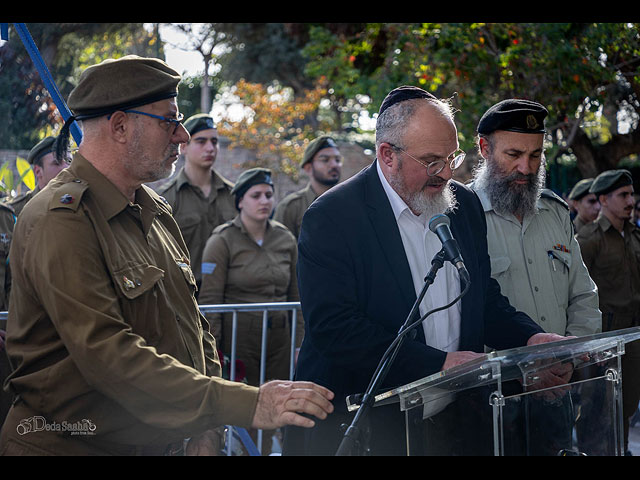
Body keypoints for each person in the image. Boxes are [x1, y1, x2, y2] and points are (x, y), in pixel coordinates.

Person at [0, 55, 334, 456]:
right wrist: (247, 403)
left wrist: (207, 428)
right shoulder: (62, 218)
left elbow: (194, 327)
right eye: (168, 120)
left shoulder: (153, 210)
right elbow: (108, 354)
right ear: (120, 126)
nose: (181, 136)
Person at [282, 85, 568, 456]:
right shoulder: (332, 217)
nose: (447, 173)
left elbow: (481, 298)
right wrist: (440, 364)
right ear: (387, 156)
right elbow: (335, 329)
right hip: (366, 427)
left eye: (452, 157)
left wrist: (530, 340)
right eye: (432, 161)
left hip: (456, 424)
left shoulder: (462, 205)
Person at [470, 99, 600, 338]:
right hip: (500, 373)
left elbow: (583, 295)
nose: (526, 168)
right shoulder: (465, 216)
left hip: (565, 367)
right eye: (514, 154)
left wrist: (570, 353)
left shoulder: (556, 213)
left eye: (535, 155)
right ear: (485, 148)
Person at [199, 167, 304, 454]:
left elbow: (296, 295)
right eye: (256, 195)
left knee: (279, 401)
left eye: (269, 195)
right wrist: (217, 351)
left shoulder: (285, 239)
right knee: (245, 406)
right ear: (240, 201)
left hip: (279, 340)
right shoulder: (222, 241)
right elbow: (210, 302)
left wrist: (298, 343)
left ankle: (267, 450)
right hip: (240, 340)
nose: (264, 201)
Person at [576, 169, 640, 456]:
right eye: (623, 195)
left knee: (627, 403)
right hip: (602, 336)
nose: (631, 200)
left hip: (634, 335)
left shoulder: (635, 235)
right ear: (603, 199)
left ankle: (622, 450)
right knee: (596, 405)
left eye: (631, 194)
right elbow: (575, 290)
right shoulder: (588, 238)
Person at [155, 114, 236, 294]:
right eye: (201, 141)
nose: (210, 148)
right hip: (183, 293)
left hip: (229, 296)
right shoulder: (166, 198)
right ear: (183, 147)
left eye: (214, 142)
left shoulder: (234, 195)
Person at [273, 135, 342, 239]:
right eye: (325, 160)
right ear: (308, 168)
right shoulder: (291, 207)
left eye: (337, 160)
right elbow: (279, 250)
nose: (334, 165)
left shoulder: (351, 201)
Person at [5, 137, 69, 216]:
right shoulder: (17, 210)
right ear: (38, 171)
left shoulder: (81, 203)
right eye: (57, 163)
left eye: (69, 162)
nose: (66, 168)